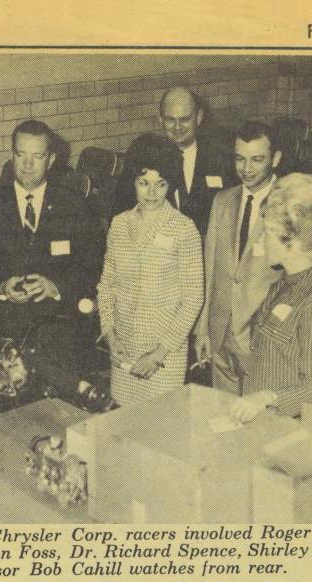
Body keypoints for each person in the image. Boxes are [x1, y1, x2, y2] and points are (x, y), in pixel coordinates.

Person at [0, 119, 104, 397]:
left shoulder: (75, 206)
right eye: (20, 155)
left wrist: (55, 286)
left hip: (60, 331)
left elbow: (92, 268)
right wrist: (3, 288)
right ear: (12, 155)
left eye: (37, 157)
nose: (27, 165)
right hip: (5, 332)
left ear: (51, 159)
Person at [229, 173, 312, 423]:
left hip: (287, 432)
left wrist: (266, 398)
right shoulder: (280, 285)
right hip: (263, 424)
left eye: (267, 233)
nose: (260, 241)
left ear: (291, 239)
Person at [97, 134, 204, 406]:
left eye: (161, 184)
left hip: (164, 355)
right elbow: (106, 285)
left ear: (171, 184)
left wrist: (158, 354)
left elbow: (193, 299)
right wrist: (109, 335)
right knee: (123, 425)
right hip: (123, 349)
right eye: (144, 183)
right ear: (132, 181)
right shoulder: (120, 225)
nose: (152, 193)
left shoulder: (184, 229)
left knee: (159, 427)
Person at [194, 121, 283, 393]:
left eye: (257, 160)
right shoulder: (222, 201)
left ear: (275, 158)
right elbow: (209, 270)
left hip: (264, 337)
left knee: (261, 425)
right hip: (220, 334)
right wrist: (203, 328)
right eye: (240, 159)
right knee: (224, 419)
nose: (247, 169)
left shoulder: (289, 202)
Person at [112, 87, 234, 235]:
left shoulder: (220, 157)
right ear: (160, 119)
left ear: (199, 117)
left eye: (184, 119)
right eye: (170, 120)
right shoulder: (142, 156)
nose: (177, 127)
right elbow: (122, 212)